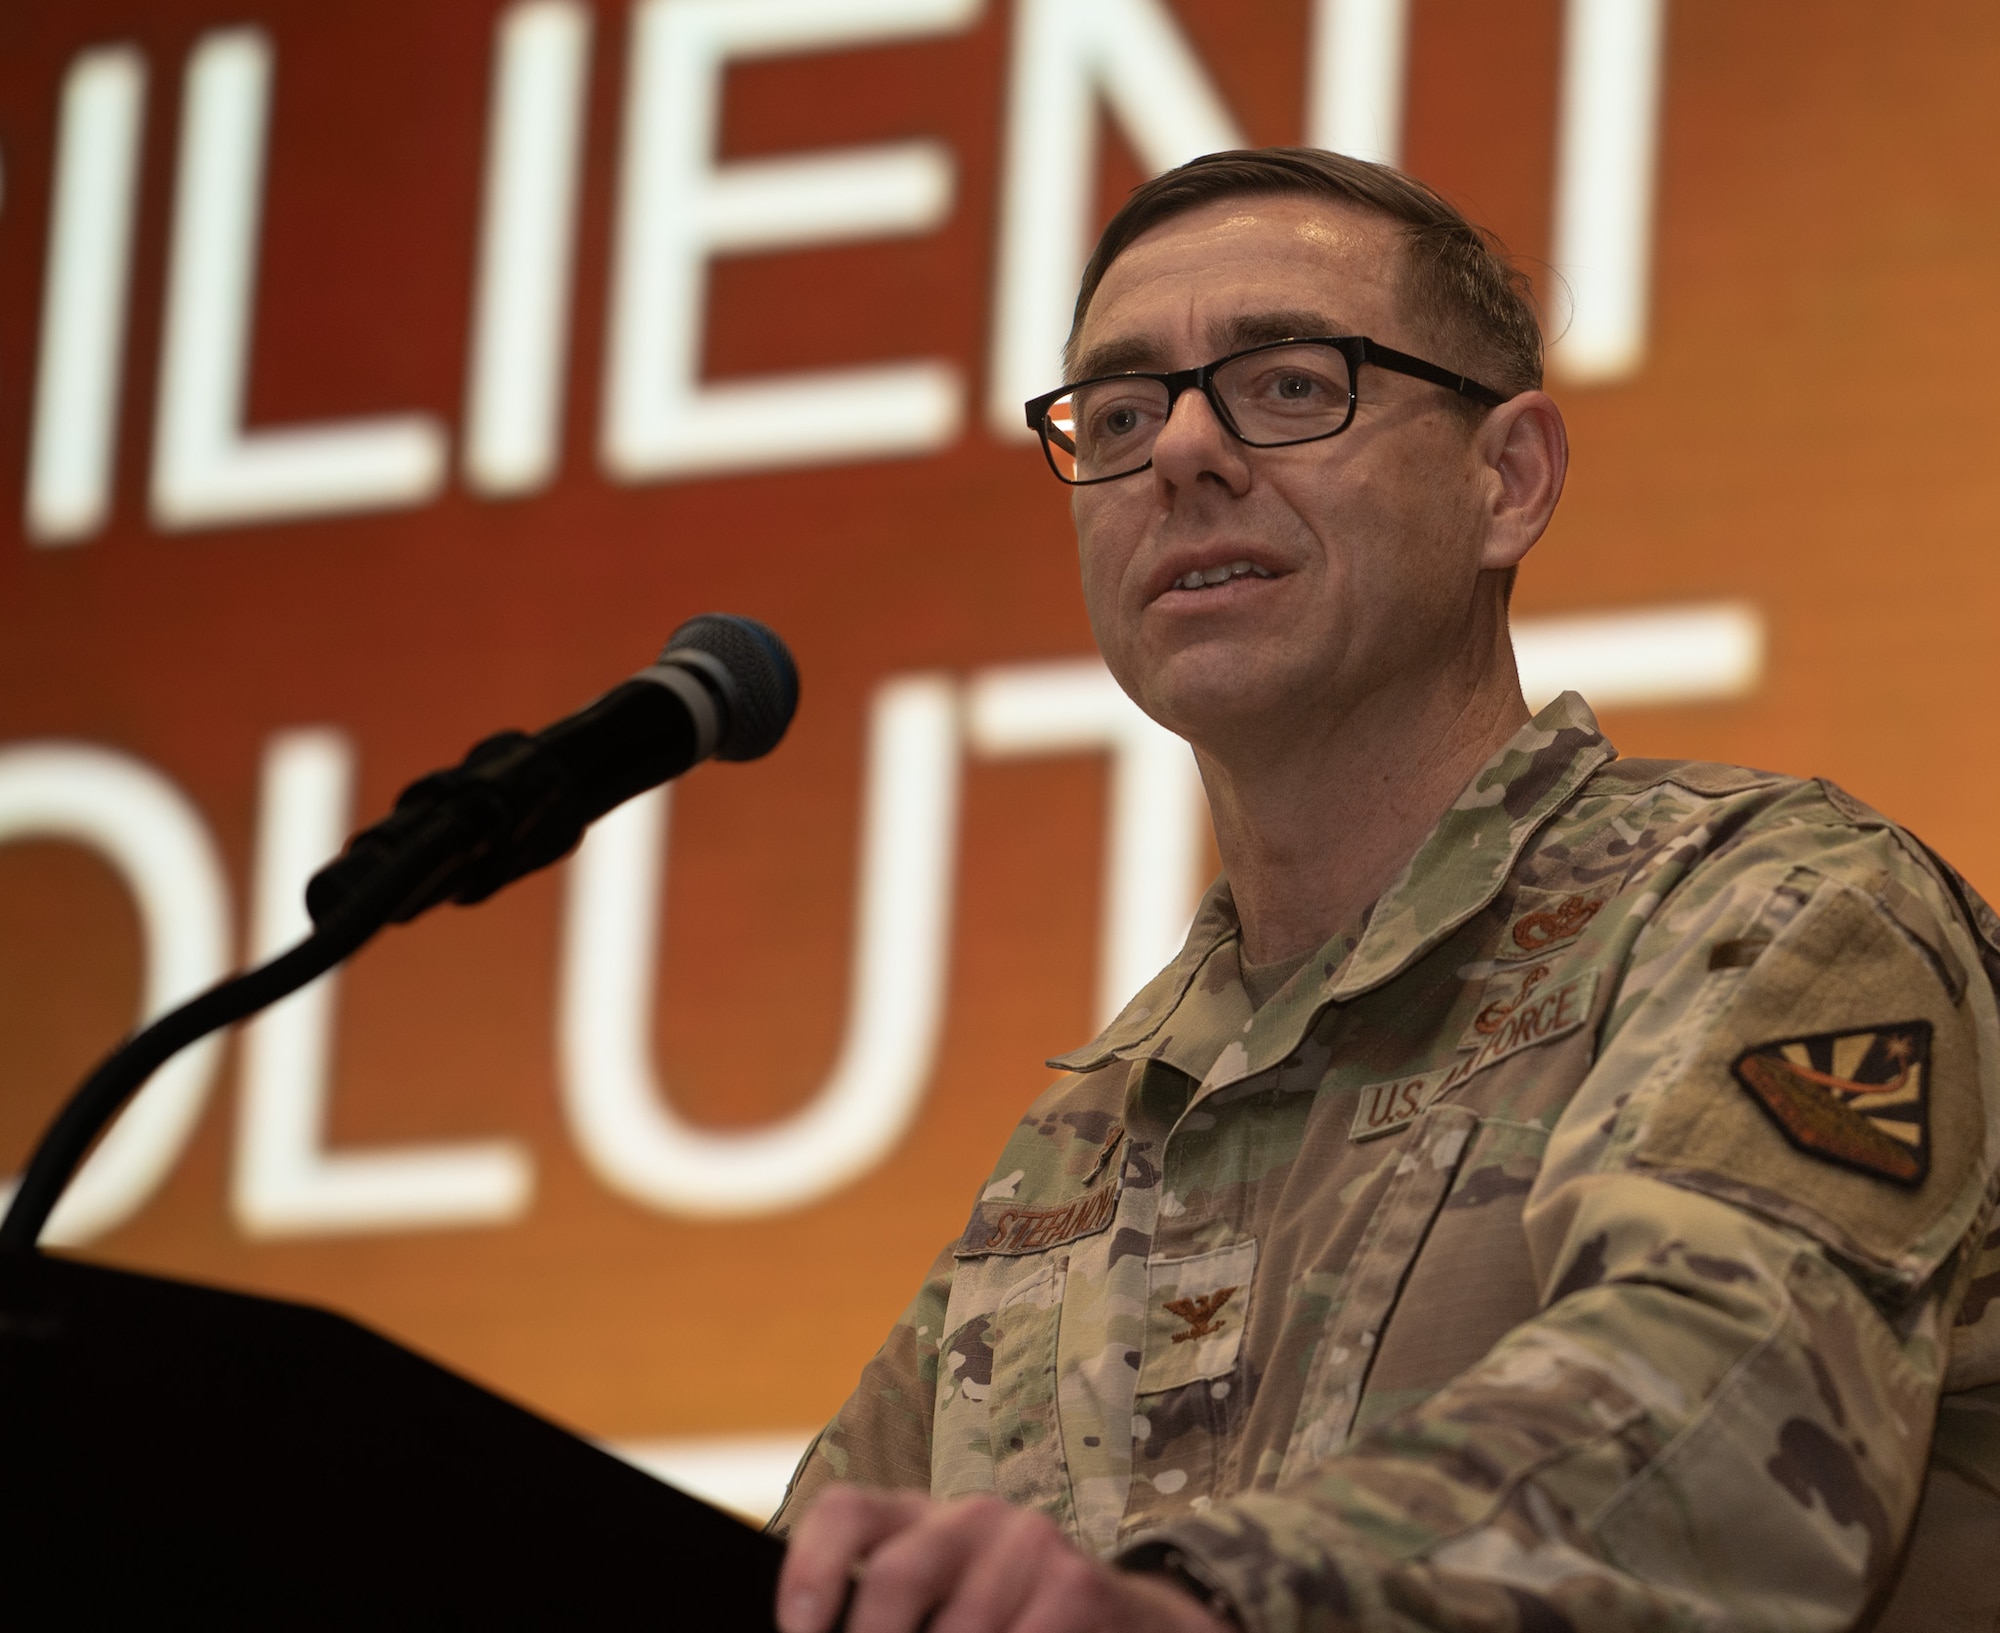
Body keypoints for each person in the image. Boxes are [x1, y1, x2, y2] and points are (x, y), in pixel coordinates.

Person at [769, 147, 2000, 1633]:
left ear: (1510, 478)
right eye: (1120, 408)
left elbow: (1716, 1419)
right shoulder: (1079, 1147)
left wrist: (1193, 1612)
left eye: (1291, 385)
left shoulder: (1770, 913)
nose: (1181, 453)